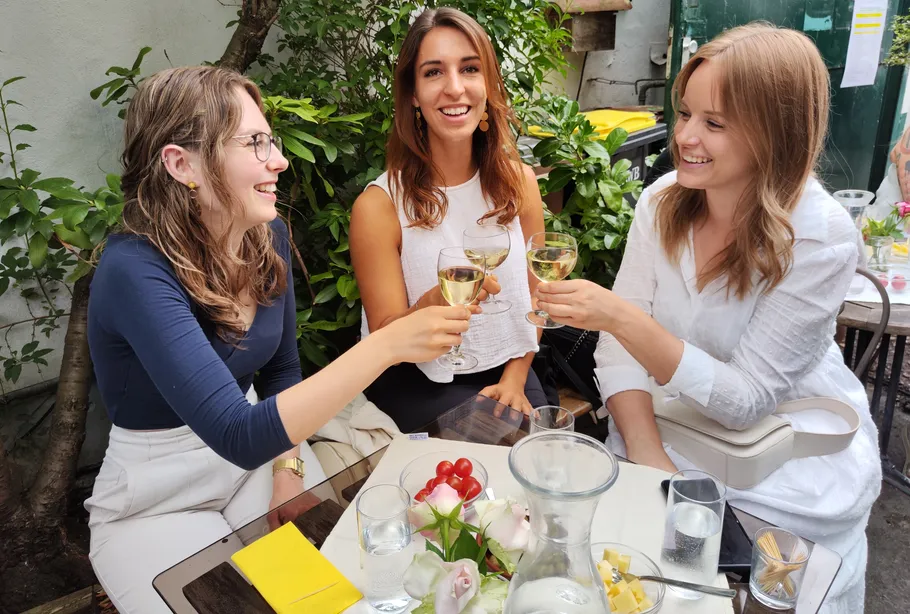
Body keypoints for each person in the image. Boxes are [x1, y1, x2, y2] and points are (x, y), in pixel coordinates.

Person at [83, 66, 471, 614]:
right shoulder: (133, 269)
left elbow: (281, 373)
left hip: (257, 466)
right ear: (180, 163)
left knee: (331, 601)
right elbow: (236, 433)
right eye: (253, 142)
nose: (279, 160)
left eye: (272, 140)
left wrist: (287, 471)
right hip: (155, 498)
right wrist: (386, 344)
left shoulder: (268, 237)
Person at [534, 24, 881, 613]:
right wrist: (654, 465)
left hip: (770, 463)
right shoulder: (662, 200)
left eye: (714, 123)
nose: (686, 138)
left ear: (777, 133)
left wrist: (620, 317)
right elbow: (617, 355)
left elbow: (746, 398)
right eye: (686, 113)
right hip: (655, 428)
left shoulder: (819, 236)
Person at [350, 7, 554, 432]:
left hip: (511, 364)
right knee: (489, 456)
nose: (455, 88)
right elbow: (385, 338)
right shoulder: (379, 206)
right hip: (418, 379)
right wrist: (431, 305)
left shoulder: (519, 183)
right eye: (433, 73)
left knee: (540, 457)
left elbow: (537, 299)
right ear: (412, 94)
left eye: (469, 69)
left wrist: (516, 377)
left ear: (488, 84)